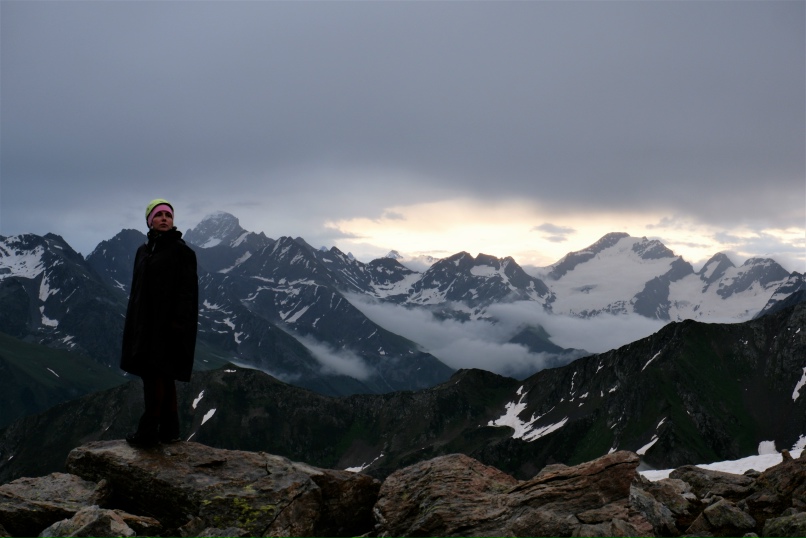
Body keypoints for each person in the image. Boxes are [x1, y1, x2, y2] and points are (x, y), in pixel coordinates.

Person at [121, 199, 199, 447]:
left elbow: (187, 293)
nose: (165, 218)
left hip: (168, 328)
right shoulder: (143, 252)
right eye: (159, 215)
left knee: (155, 375)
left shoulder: (182, 252)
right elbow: (137, 291)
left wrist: (178, 326)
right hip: (145, 325)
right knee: (161, 376)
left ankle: (148, 432)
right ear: (149, 220)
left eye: (168, 215)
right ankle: (170, 429)